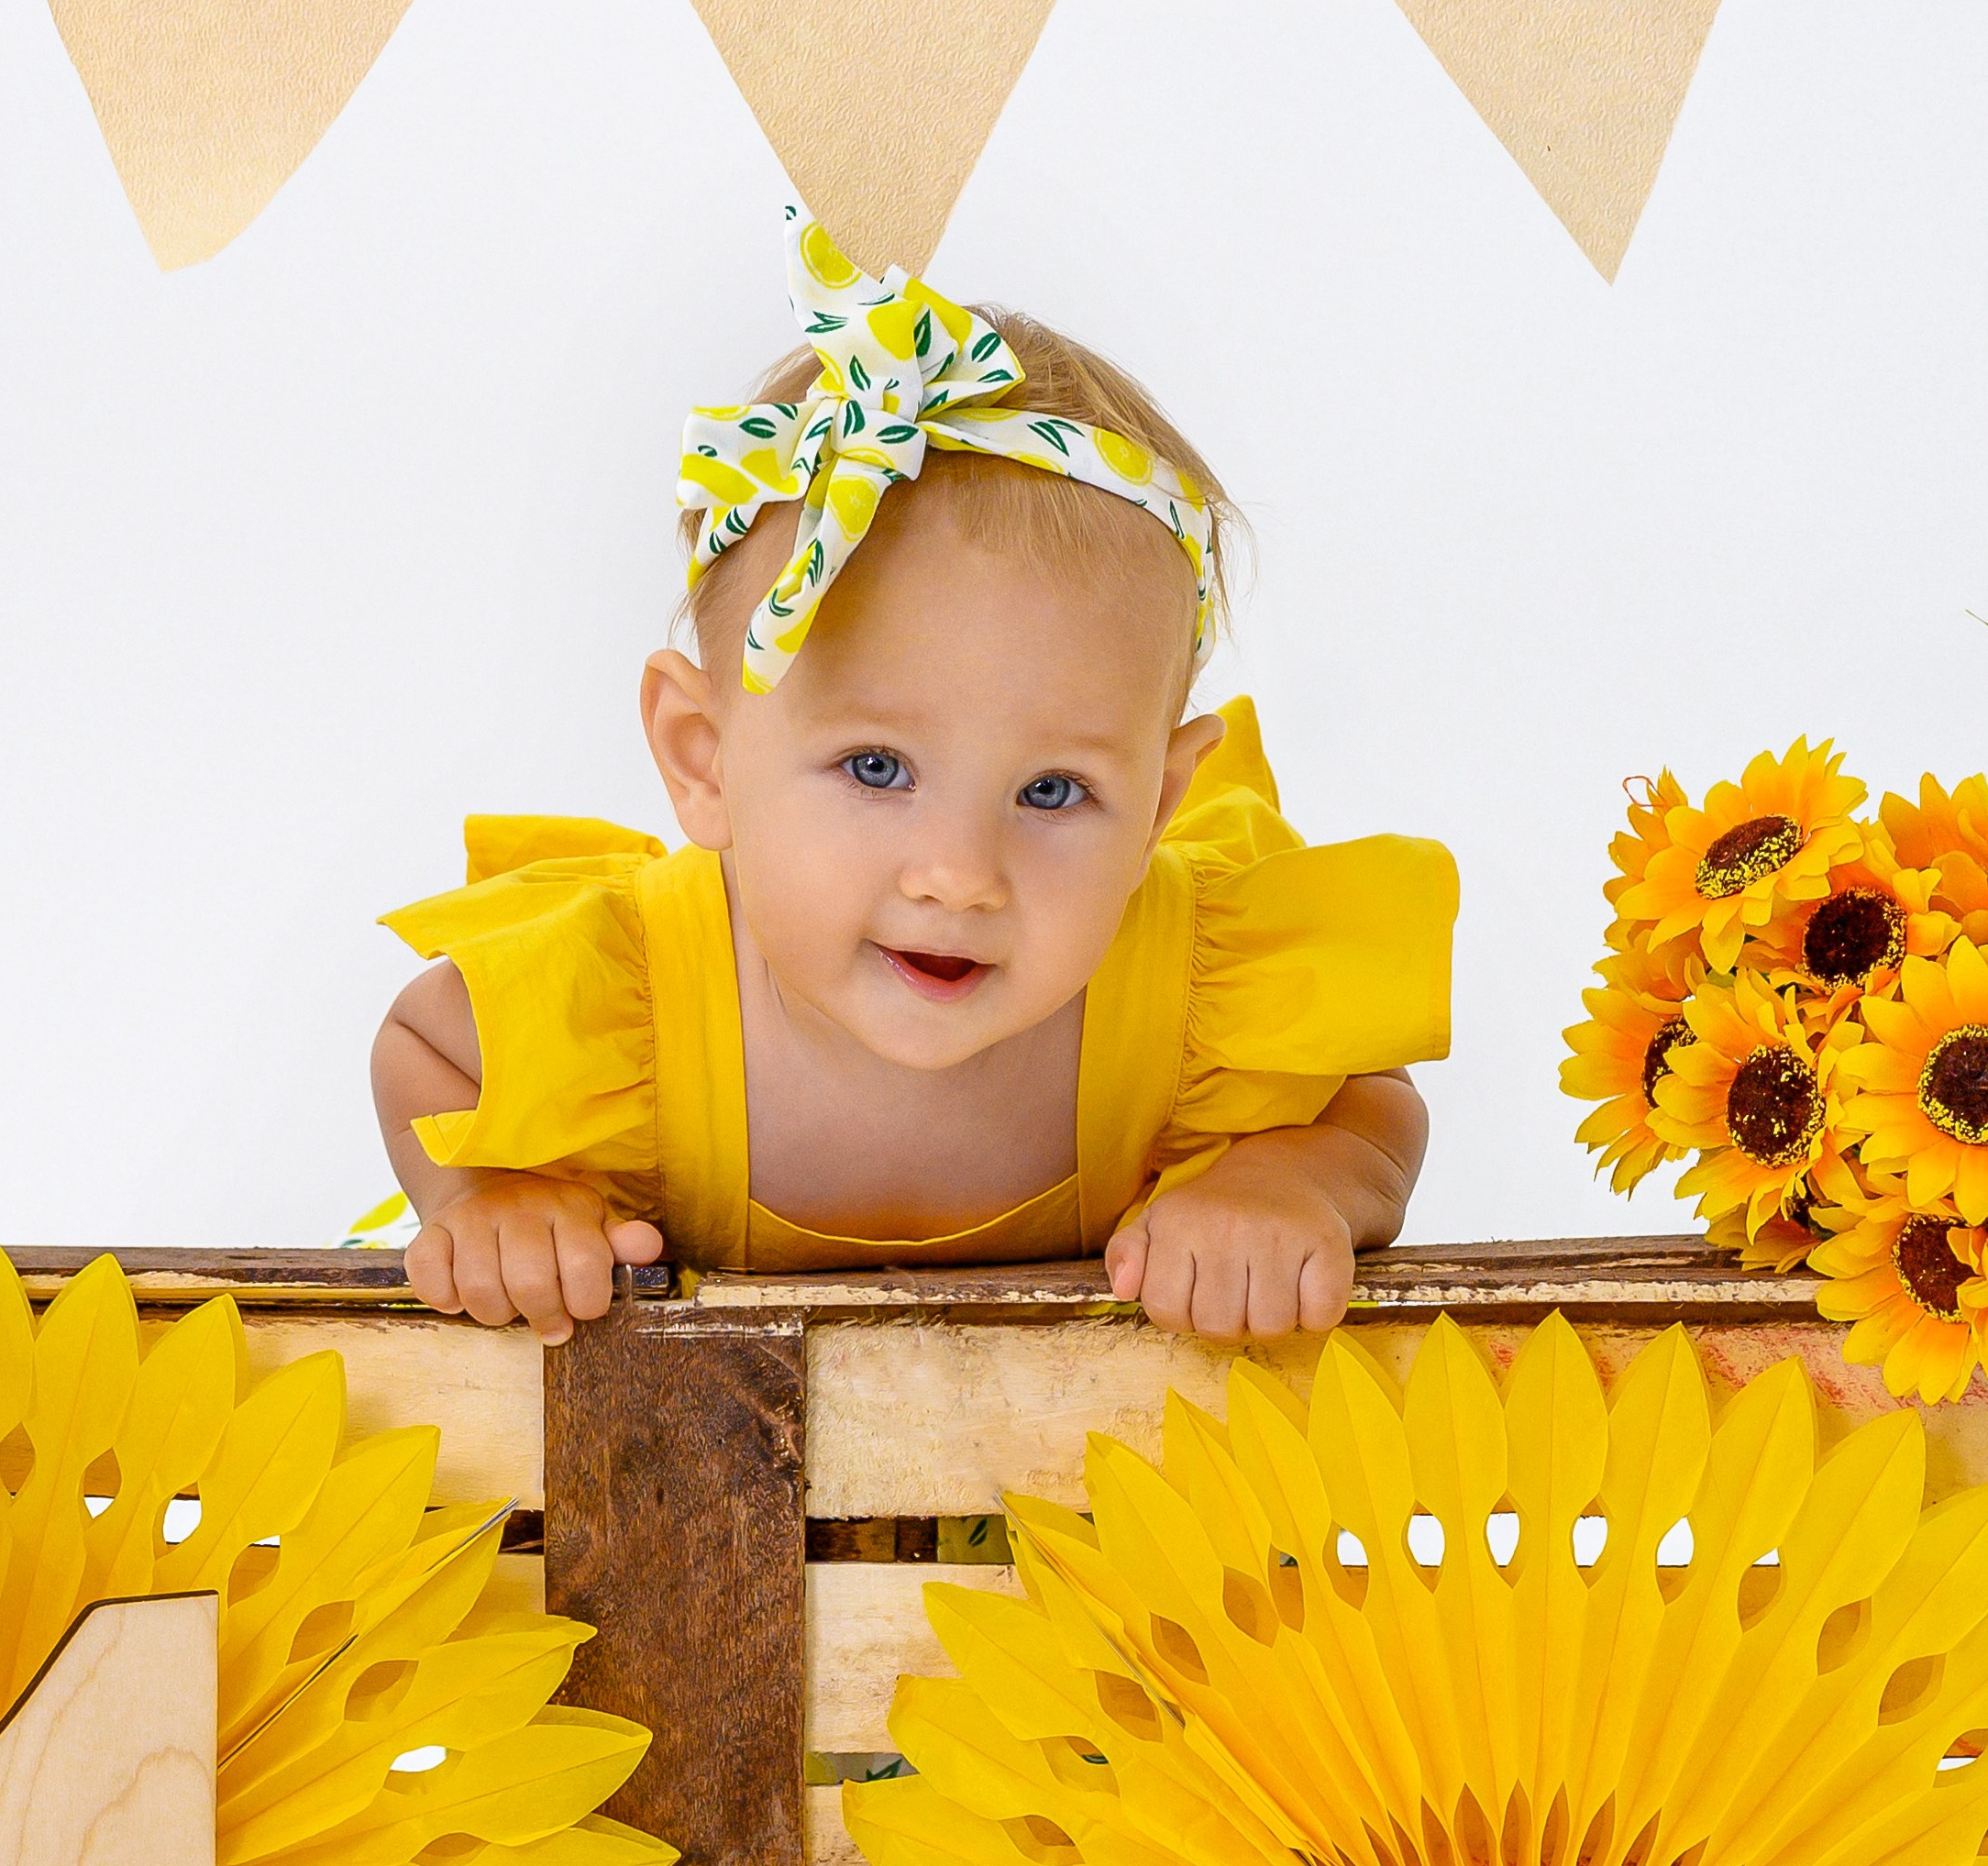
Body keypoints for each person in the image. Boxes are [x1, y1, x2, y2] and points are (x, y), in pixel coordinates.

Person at [371, 212, 1456, 1343]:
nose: (958, 876)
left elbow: (1367, 1104)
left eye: (1052, 792)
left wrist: (1291, 1185)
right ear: (704, 757)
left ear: (1159, 807)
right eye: (877, 767)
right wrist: (485, 1198)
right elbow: (426, 1043)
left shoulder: (1190, 992)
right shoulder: (632, 996)